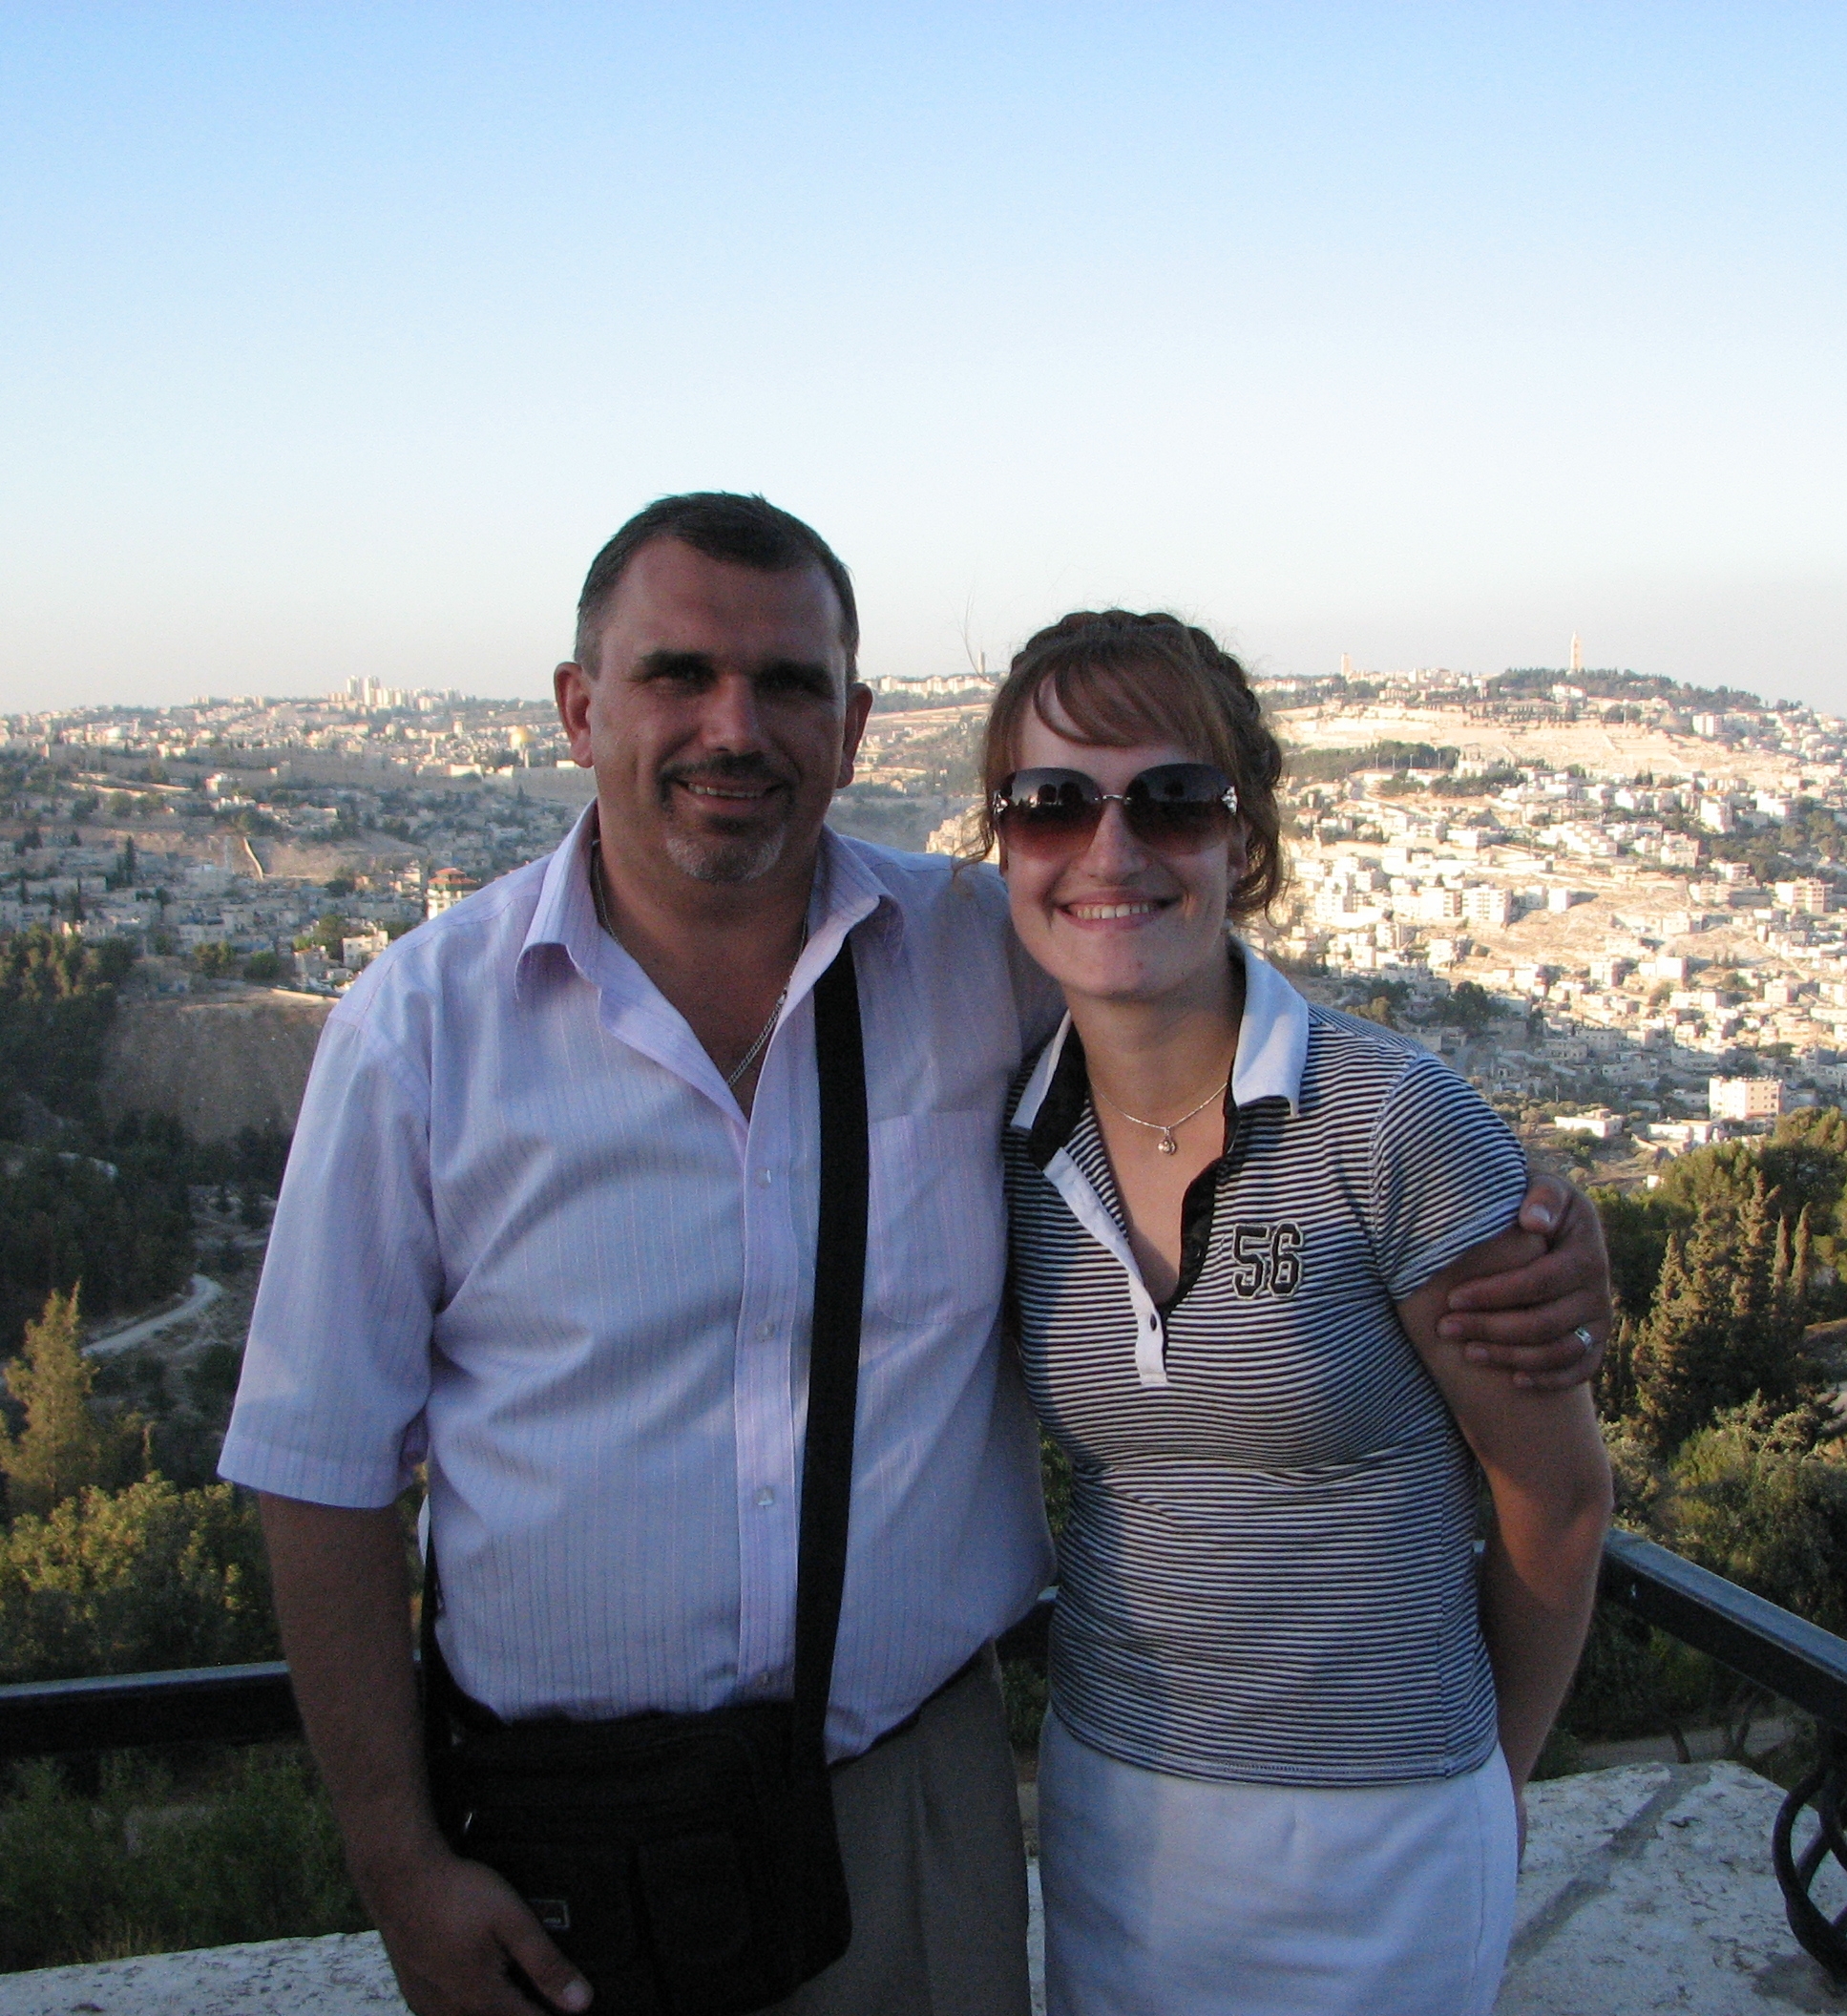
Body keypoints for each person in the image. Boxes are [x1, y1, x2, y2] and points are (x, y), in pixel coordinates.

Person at [220, 495, 1611, 2016]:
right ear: (578, 708)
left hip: (920, 1802)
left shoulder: (978, 950)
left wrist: (1526, 1200)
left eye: (791, 684)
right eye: (678, 673)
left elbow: (1194, 1003)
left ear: (857, 723)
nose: (733, 726)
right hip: (579, 1832)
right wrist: (399, 1867)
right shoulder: (420, 1032)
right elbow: (319, 1468)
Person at [984, 610, 1615, 2016]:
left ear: (1243, 841)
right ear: (1004, 845)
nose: (1109, 850)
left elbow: (1559, 1499)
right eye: (1050, 805)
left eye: (1171, 800)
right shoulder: (1011, 1145)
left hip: (1385, 1839)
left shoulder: (1391, 1123)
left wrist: (1481, 1783)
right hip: (1111, 1814)